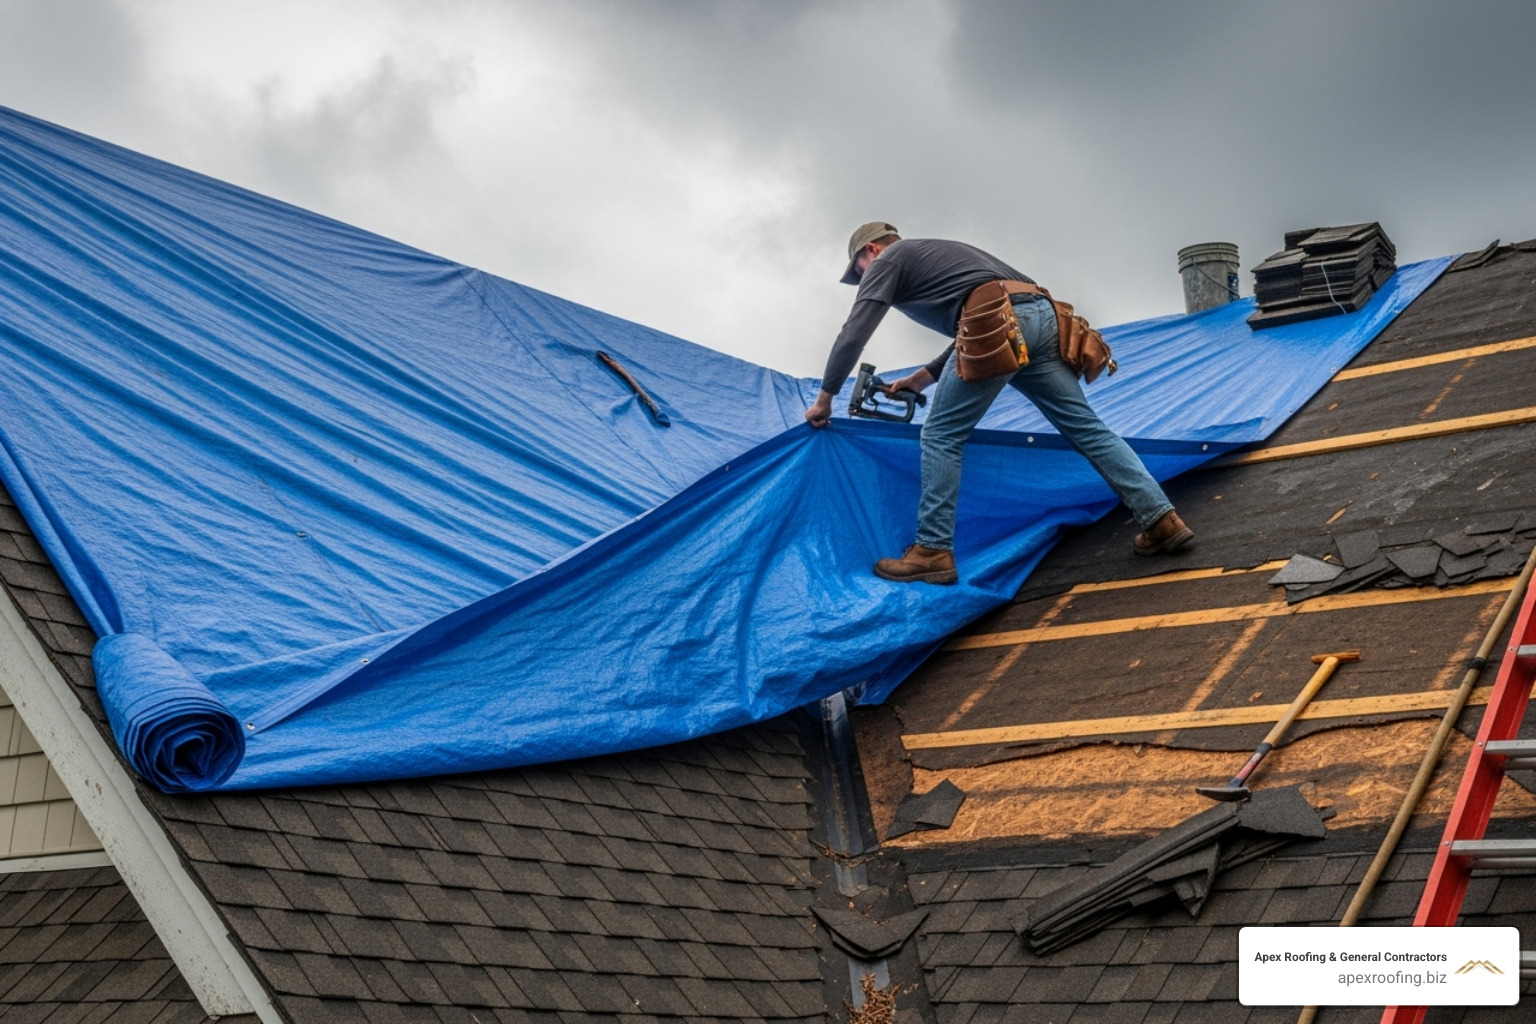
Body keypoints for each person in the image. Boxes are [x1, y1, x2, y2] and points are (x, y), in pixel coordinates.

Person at [805, 221, 1193, 584]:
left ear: (870, 250)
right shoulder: (938, 255)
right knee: (1088, 430)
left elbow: (856, 330)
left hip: (999, 321)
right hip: (1042, 316)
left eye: (859, 270)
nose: (863, 278)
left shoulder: (887, 260)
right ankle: (1161, 518)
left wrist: (825, 398)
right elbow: (978, 316)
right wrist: (921, 379)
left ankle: (932, 551)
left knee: (941, 435)